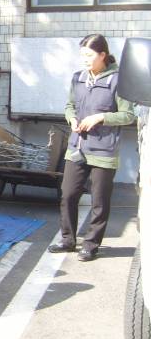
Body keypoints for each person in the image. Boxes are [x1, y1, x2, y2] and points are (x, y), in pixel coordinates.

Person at [48, 34, 135, 261]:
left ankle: (91, 244)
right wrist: (72, 119)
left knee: (99, 201)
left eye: (89, 55)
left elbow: (128, 115)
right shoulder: (78, 78)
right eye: (82, 56)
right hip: (77, 147)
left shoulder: (118, 80)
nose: (85, 60)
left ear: (103, 55)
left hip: (104, 151)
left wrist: (100, 118)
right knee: (68, 194)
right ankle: (68, 240)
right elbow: (70, 105)